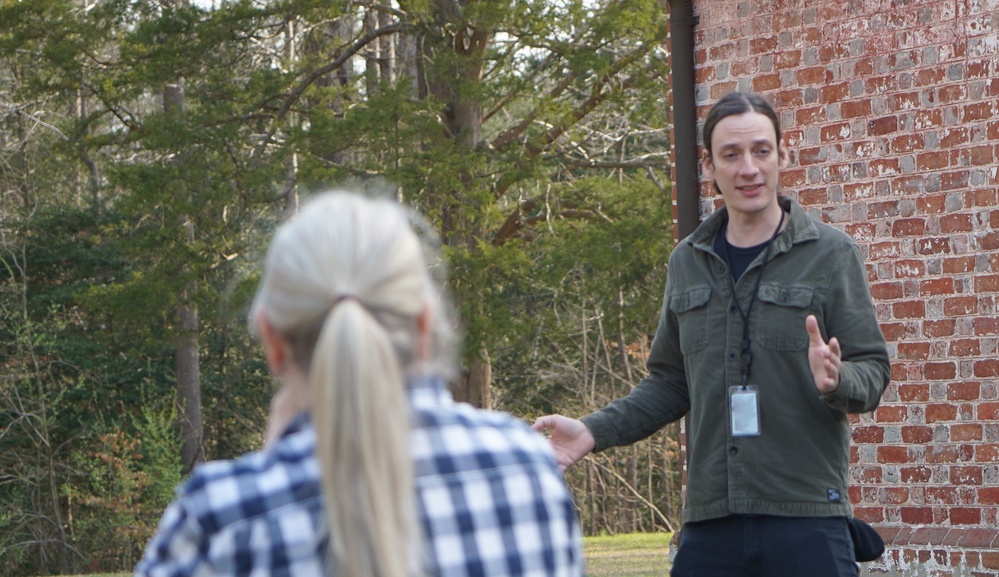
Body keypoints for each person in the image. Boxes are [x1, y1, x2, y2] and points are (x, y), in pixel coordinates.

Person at [533, 91, 890, 577]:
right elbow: (669, 383)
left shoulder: (831, 254)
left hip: (806, 517)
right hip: (711, 520)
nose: (749, 168)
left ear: (783, 155)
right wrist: (593, 431)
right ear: (710, 166)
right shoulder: (687, 261)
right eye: (732, 154)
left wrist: (837, 380)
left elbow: (872, 370)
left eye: (761, 151)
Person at [135, 191, 583, 577]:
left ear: (272, 340)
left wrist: (275, 462)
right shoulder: (523, 467)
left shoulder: (221, 516)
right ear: (425, 326)